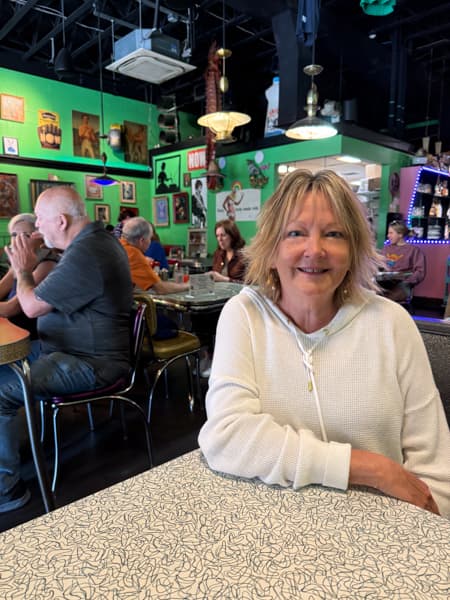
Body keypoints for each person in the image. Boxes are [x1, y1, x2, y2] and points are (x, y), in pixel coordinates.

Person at [198, 169, 450, 518]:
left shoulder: (393, 324)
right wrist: (372, 469)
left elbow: (438, 479)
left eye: (334, 234)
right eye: (295, 233)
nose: (314, 250)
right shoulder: (243, 315)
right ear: (271, 249)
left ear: (353, 250)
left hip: (383, 531)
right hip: (271, 526)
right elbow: (226, 436)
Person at [0, 186, 133, 513]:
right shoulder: (84, 246)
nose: (36, 229)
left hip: (92, 362)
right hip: (62, 351)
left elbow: (29, 307)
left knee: (0, 389)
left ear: (60, 221)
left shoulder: (89, 253)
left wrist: (22, 269)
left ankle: (7, 489)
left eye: (41, 220)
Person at [0, 213, 59, 339]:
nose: (18, 240)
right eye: (14, 235)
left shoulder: (47, 264)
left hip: (31, 338)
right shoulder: (18, 261)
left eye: (26, 235)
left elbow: (11, 309)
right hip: (11, 331)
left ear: (40, 238)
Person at [120, 217, 188, 295]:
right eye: (150, 239)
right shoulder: (133, 253)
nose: (151, 242)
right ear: (142, 241)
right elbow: (161, 289)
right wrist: (186, 286)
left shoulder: (118, 244)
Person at [380, 220, 426, 302]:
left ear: (400, 234)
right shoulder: (386, 248)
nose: (388, 236)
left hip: (402, 283)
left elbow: (420, 272)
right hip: (385, 282)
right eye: (388, 233)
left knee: (386, 300)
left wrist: (408, 281)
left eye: (391, 233)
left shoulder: (413, 250)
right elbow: (379, 266)